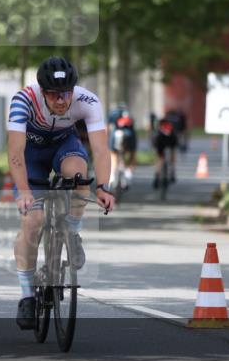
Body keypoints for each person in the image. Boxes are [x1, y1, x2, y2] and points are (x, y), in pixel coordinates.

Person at [7, 56, 115, 330]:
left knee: (80, 174)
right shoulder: (23, 100)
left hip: (63, 146)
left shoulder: (87, 101)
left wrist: (103, 186)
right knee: (33, 222)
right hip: (30, 155)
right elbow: (16, 152)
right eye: (53, 95)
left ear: (73, 90)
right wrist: (23, 192)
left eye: (65, 94)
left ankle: (73, 231)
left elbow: (101, 150)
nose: (60, 100)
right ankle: (27, 296)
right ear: (42, 91)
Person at [152, 108, 187, 188]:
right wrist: (183, 144)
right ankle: (172, 172)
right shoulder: (179, 119)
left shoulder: (163, 120)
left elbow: (156, 131)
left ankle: (156, 177)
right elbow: (183, 132)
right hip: (172, 139)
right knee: (172, 152)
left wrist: (153, 143)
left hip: (160, 139)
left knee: (160, 158)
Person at [107, 104, 137, 190]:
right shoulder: (130, 115)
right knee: (132, 153)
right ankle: (128, 173)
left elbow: (107, 128)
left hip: (116, 135)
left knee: (114, 154)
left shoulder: (113, 114)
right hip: (129, 136)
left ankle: (112, 175)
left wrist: (107, 140)